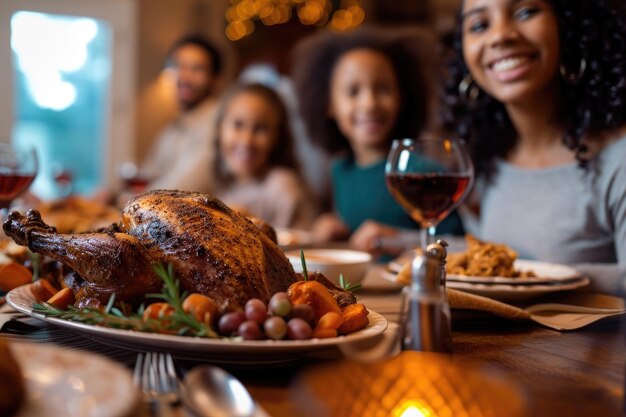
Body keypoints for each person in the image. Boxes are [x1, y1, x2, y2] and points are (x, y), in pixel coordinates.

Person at [443, 0, 626, 293]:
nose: (500, 35)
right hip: (503, 340)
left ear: (567, 26)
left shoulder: (619, 157)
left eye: (526, 12)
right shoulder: (488, 157)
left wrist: (525, 277)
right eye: (479, 25)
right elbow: (489, 255)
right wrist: (405, 243)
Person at [292, 26, 464, 257]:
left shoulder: (422, 173)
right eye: (353, 91)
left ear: (402, 98)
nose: (369, 103)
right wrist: (334, 228)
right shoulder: (341, 169)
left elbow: (459, 243)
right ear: (329, 105)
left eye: (383, 89)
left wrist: (397, 240)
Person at [212, 82, 316, 229]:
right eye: (238, 124)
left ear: (277, 137)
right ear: (219, 129)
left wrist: (251, 226)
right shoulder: (225, 190)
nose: (247, 141)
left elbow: (300, 245)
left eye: (260, 128)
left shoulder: (282, 187)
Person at [138, 34, 223, 193]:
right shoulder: (172, 126)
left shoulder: (218, 122)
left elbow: (179, 189)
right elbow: (147, 172)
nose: (184, 76)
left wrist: (125, 199)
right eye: (177, 66)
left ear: (215, 79)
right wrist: (114, 193)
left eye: (196, 69)